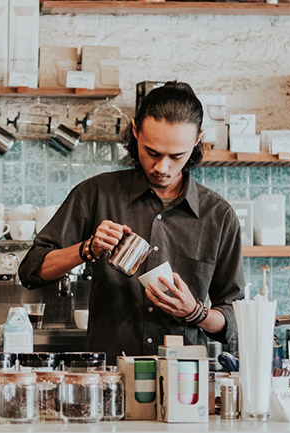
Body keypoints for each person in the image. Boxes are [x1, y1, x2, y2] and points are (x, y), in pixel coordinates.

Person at [18, 81, 245, 360]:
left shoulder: (219, 216)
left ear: (197, 140)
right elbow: (31, 271)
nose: (162, 167)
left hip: (182, 381)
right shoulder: (96, 194)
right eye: (152, 152)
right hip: (110, 375)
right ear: (135, 131)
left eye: (176, 156)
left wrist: (194, 312)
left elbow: (233, 318)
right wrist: (87, 249)